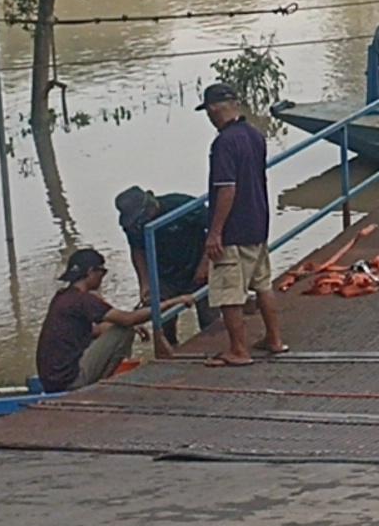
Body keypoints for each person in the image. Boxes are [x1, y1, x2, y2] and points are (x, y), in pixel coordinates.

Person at [198, 82, 286, 368]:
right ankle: (274, 339)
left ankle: (238, 350)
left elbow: (227, 189)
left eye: (208, 111)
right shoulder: (255, 135)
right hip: (258, 222)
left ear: (214, 109)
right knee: (263, 285)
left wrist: (215, 232)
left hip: (234, 230)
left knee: (229, 293)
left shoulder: (223, 143)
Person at [34, 248, 192, 393]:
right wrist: (172, 302)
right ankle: (98, 387)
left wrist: (130, 325)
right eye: (102, 272)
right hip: (70, 381)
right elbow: (128, 319)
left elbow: (95, 330)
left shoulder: (62, 297)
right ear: (91, 272)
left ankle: (95, 384)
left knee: (124, 327)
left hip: (52, 381)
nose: (102, 278)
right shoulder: (83, 300)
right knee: (125, 330)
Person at [115, 186, 217, 356]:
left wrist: (206, 263)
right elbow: (137, 251)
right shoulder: (134, 226)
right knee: (163, 320)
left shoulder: (182, 205)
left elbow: (215, 231)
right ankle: (170, 355)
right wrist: (145, 283)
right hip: (163, 276)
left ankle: (214, 351)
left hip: (196, 266)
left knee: (210, 318)